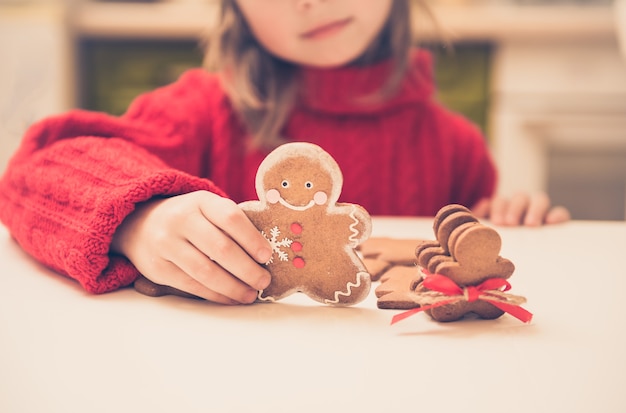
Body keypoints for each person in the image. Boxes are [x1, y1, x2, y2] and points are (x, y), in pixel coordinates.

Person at [0, 0, 569, 305]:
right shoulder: (201, 111)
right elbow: (35, 170)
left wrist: (513, 220)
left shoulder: (455, 146)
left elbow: (474, 259)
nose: (309, 1)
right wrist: (139, 217)